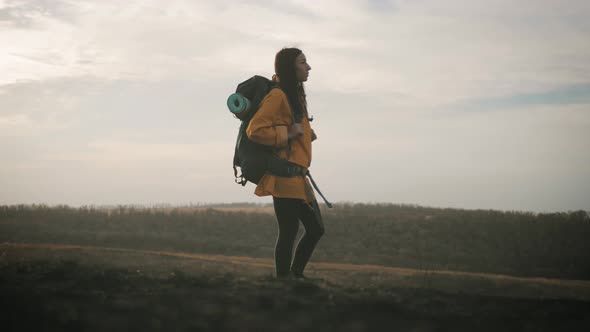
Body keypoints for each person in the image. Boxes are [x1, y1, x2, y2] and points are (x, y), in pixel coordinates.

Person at [246, 47, 324, 279]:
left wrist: (305, 134)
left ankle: (293, 277)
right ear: (291, 67)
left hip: (298, 178)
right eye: (303, 62)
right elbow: (255, 130)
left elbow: (293, 126)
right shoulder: (278, 95)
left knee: (315, 230)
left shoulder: (294, 95)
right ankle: (286, 281)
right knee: (292, 232)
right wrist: (287, 132)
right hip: (284, 178)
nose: (308, 67)